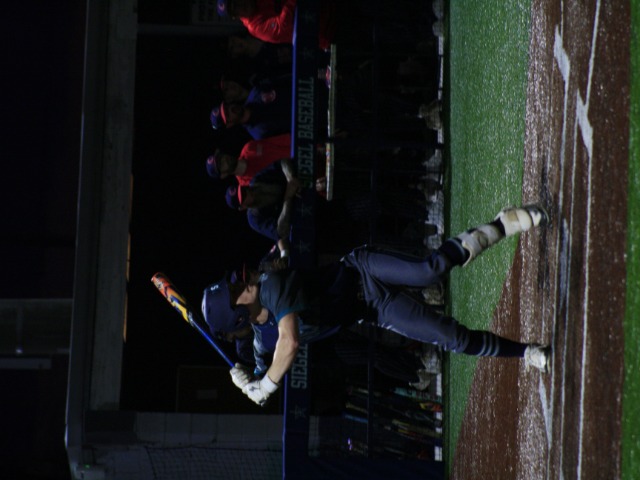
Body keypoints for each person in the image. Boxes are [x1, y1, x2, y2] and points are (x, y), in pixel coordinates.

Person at [201, 205, 553, 406]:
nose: (242, 284)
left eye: (236, 283)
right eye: (236, 292)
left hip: (362, 270)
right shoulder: (261, 342)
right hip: (373, 309)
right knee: (453, 338)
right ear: (237, 317)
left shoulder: (271, 285)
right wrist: (248, 383)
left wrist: (264, 387)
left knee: (429, 270)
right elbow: (267, 364)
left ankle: (501, 224)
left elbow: (289, 342)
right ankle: (527, 352)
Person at [210, 74, 292, 140]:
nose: (231, 109)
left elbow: (286, 79)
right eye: (227, 114)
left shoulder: (255, 92)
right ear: (230, 124)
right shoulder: (259, 133)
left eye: (227, 107)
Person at [206, 133, 291, 186]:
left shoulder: (249, 148)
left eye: (221, 156)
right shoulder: (248, 186)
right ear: (223, 175)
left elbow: (282, 140)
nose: (225, 159)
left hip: (296, 152)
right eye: (221, 164)